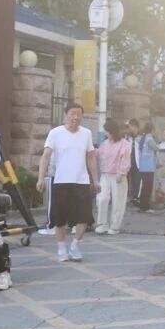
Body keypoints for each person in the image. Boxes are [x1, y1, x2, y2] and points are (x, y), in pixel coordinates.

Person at [38, 105, 98, 262]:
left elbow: (91, 157)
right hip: (61, 181)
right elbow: (45, 156)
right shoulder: (55, 133)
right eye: (72, 114)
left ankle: (75, 245)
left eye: (79, 114)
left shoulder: (86, 133)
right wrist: (40, 178)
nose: (75, 117)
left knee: (84, 217)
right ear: (65, 115)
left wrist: (95, 180)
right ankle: (61, 249)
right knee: (60, 219)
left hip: (81, 181)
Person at [95, 119, 132, 235]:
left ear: (112, 131)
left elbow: (125, 160)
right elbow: (99, 153)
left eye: (107, 131)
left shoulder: (124, 144)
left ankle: (115, 226)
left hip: (118, 175)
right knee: (102, 198)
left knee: (118, 200)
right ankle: (102, 224)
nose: (105, 133)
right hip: (105, 174)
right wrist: (90, 150)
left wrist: (121, 173)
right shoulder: (105, 143)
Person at [135, 122, 158, 211]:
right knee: (148, 188)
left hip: (142, 167)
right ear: (152, 130)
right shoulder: (150, 139)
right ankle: (146, 207)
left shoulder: (142, 139)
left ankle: (142, 206)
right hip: (149, 167)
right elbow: (156, 148)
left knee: (144, 187)